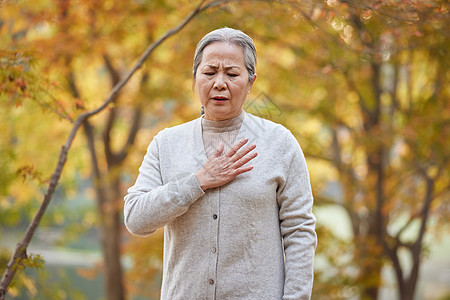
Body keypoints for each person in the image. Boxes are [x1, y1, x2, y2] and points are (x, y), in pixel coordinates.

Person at [124, 27, 317, 300]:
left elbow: (300, 231)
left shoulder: (280, 144)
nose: (219, 83)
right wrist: (197, 182)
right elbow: (135, 219)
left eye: (232, 73)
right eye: (210, 72)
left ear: (251, 82)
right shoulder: (166, 144)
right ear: (195, 77)